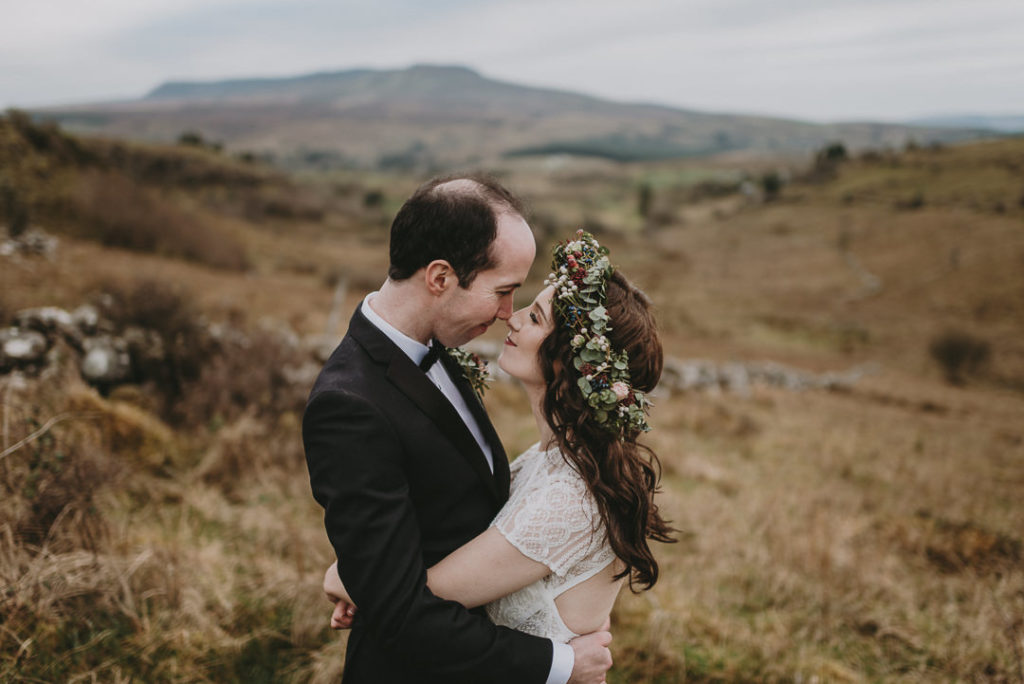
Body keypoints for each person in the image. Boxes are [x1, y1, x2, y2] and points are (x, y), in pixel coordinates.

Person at [303, 177, 615, 684]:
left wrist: (354, 575)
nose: (508, 314)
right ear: (441, 278)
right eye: (503, 291)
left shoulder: (438, 347)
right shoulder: (349, 406)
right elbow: (400, 615)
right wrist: (562, 665)